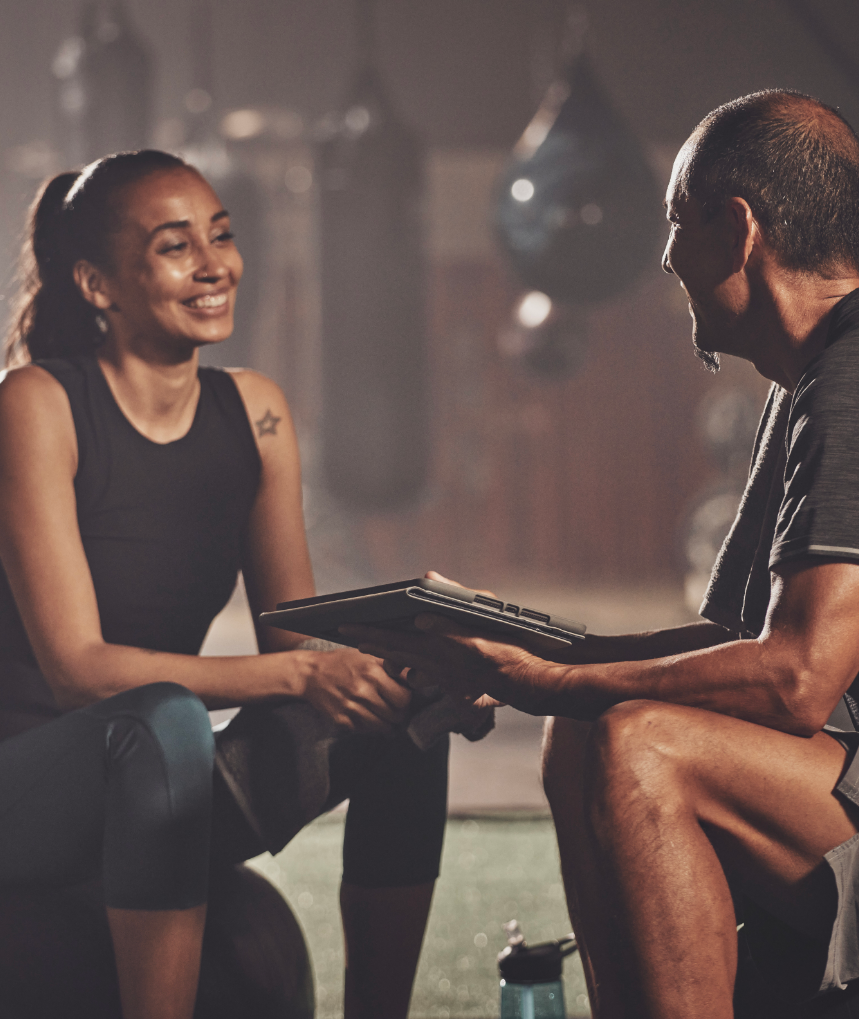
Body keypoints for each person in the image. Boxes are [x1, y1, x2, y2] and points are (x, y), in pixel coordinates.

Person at [349, 90, 859, 1018]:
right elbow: (730, 639)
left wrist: (550, 679)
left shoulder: (849, 379)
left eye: (675, 220)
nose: (665, 255)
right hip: (838, 773)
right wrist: (530, 659)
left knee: (636, 742)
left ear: (736, 227)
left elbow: (796, 680)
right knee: (583, 726)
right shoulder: (809, 378)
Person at [0, 150, 449, 1019]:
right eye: (176, 247)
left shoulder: (256, 413)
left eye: (222, 236)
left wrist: (414, 664)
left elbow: (292, 641)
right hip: (26, 794)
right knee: (164, 720)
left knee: (407, 712)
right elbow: (78, 671)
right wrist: (299, 674)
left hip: (156, 787)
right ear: (98, 283)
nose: (215, 267)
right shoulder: (36, 405)